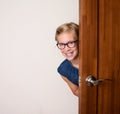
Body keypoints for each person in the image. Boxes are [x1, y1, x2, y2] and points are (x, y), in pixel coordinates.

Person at [55, 22, 79, 96]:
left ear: (80, 42)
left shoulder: (94, 59)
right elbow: (76, 91)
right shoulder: (64, 70)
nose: (67, 49)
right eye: (61, 44)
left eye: (71, 43)